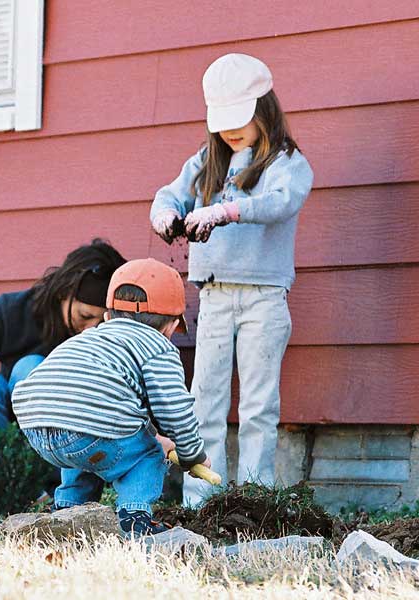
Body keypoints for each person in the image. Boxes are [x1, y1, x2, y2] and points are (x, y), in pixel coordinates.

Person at [149, 53, 314, 506]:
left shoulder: (286, 162)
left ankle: (257, 501)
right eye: (222, 121)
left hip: (264, 296)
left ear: (264, 109)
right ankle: (201, 501)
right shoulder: (207, 161)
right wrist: (165, 214)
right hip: (215, 295)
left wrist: (227, 211)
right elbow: (169, 194)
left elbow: (282, 201)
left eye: (239, 118)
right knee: (204, 400)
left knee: (259, 404)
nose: (230, 130)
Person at [11, 258, 211, 536]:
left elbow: (111, 404)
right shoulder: (158, 347)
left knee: (83, 441)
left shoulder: (90, 337)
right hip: (85, 430)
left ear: (107, 316)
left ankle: (67, 511)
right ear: (170, 326)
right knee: (148, 453)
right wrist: (191, 454)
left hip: (37, 424)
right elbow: (174, 409)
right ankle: (135, 519)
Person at [0, 239, 127, 471]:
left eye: (102, 321)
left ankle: (42, 482)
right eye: (84, 315)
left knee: (31, 368)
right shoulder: (10, 311)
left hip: (63, 454)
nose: (91, 329)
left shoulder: (110, 338)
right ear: (63, 292)